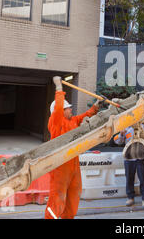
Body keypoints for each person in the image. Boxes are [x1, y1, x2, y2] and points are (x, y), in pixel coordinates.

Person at [45, 76, 100, 219]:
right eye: (68, 108)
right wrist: (59, 88)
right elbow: (57, 108)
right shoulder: (56, 122)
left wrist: (96, 105)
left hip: (73, 164)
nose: (71, 110)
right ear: (61, 110)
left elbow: (85, 115)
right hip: (60, 165)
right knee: (57, 197)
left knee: (73, 195)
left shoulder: (72, 120)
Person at [114, 123, 144, 209]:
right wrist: (121, 134)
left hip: (141, 157)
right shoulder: (124, 128)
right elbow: (117, 141)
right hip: (129, 158)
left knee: (143, 179)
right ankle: (130, 198)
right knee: (129, 179)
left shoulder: (143, 127)